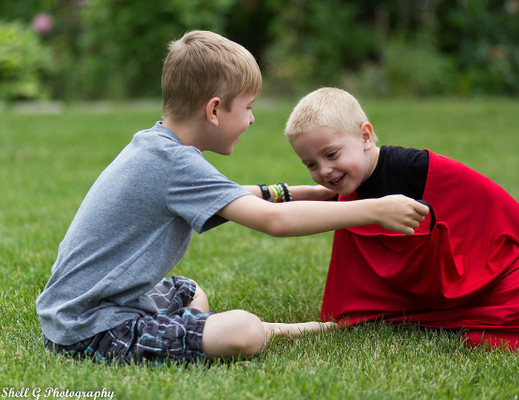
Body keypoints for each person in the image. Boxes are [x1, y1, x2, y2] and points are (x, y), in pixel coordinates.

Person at [36, 33, 429, 365]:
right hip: (88, 328)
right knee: (242, 332)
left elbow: (229, 196)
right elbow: (272, 222)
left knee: (189, 293)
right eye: (248, 107)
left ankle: (197, 329)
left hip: (84, 305)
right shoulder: (175, 162)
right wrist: (374, 209)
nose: (253, 119)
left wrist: (304, 192)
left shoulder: (158, 146)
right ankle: (269, 330)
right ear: (214, 110)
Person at [284, 87, 519, 353]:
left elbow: (488, 200)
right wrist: (269, 193)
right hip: (418, 289)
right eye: (311, 163)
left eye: (331, 155)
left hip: (479, 270)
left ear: (365, 136)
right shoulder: (348, 189)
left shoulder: (415, 167)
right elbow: (327, 205)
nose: (324, 170)